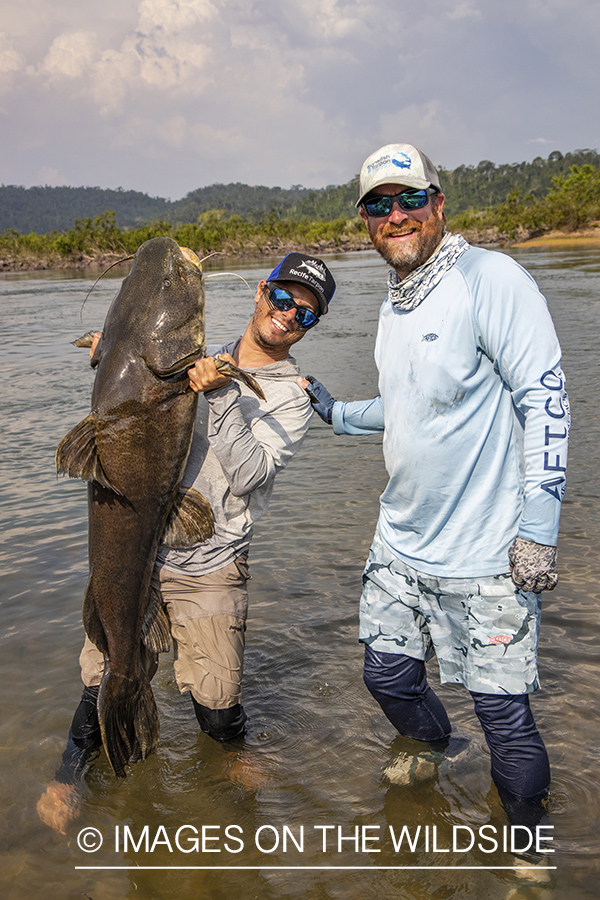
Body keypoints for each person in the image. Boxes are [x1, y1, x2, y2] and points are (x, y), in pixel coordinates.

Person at [302, 143, 569, 829]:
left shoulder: (492, 279)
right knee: (386, 675)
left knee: (503, 717)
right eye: (378, 205)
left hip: (487, 554)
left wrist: (538, 532)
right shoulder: (396, 306)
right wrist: (338, 414)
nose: (396, 215)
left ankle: (528, 850)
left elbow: (544, 397)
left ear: (439, 204)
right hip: (401, 544)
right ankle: (441, 747)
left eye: (409, 199)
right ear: (365, 221)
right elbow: (413, 403)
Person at [38, 251, 336, 833]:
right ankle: (68, 773)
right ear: (259, 291)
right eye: (282, 298)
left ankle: (229, 756)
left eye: (305, 314)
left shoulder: (294, 396)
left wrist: (221, 395)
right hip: (140, 555)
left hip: (212, 560)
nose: (287, 316)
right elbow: (129, 414)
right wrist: (112, 360)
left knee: (216, 696)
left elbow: (251, 476)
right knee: (104, 667)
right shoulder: (194, 357)